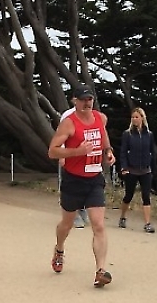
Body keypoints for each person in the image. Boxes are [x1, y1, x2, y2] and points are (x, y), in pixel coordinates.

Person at [47, 85, 116, 288]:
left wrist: (108, 152)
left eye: (90, 99)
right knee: (66, 224)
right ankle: (59, 249)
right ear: (74, 101)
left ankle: (100, 271)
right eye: (83, 100)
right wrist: (77, 152)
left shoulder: (100, 118)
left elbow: (103, 136)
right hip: (73, 180)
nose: (87, 103)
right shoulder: (69, 124)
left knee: (99, 225)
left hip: (94, 179)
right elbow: (52, 151)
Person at [118, 107, 156, 233]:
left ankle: (147, 223)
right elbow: (123, 152)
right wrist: (124, 167)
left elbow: (152, 152)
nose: (134, 119)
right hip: (131, 170)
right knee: (128, 195)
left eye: (137, 117)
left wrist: (153, 169)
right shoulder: (127, 134)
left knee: (146, 196)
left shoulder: (149, 135)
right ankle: (123, 217)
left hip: (145, 170)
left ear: (142, 118)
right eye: (133, 117)